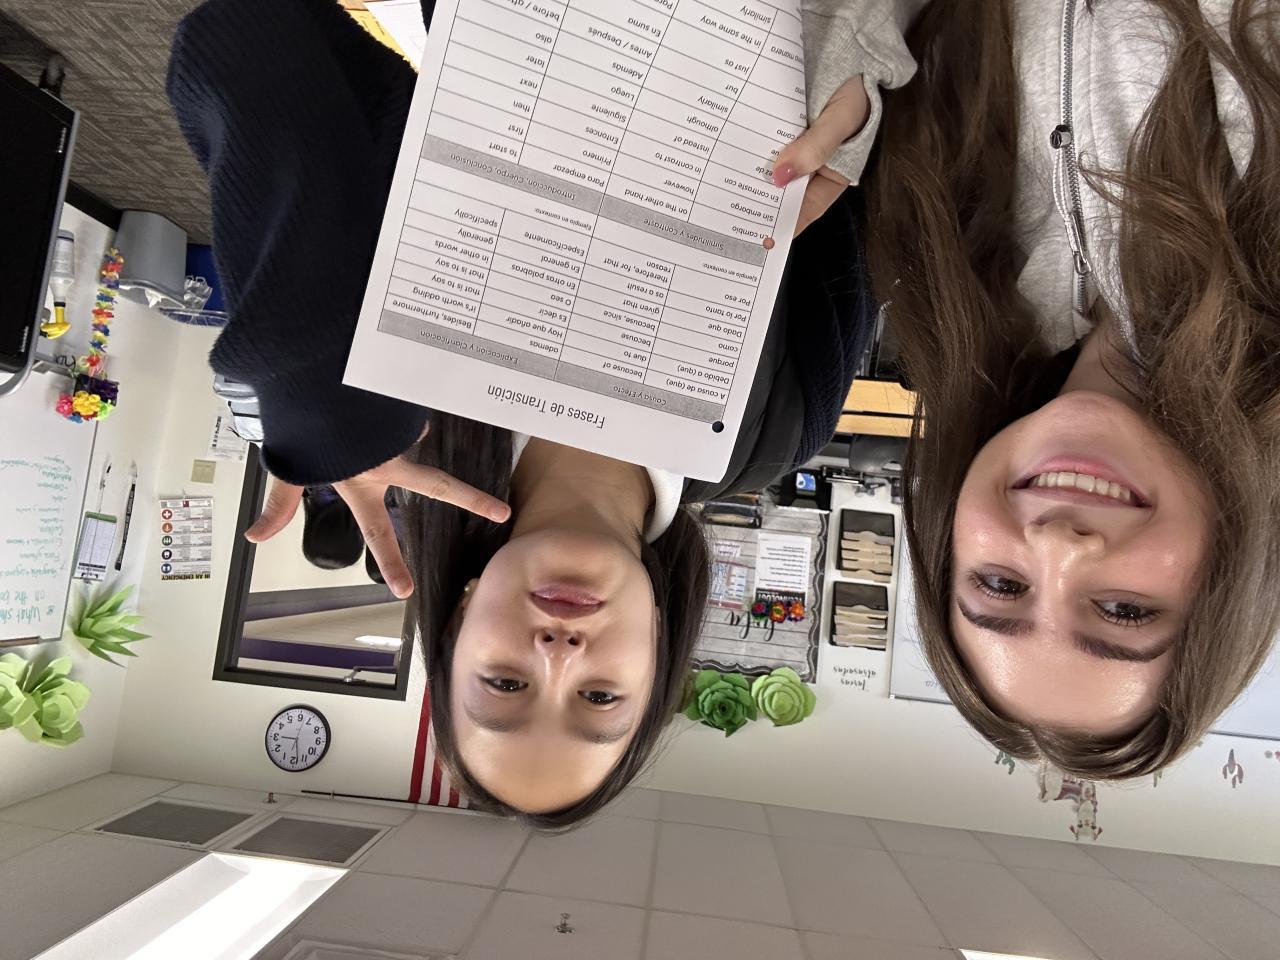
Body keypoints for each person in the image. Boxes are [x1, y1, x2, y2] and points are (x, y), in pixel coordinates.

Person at [167, 0, 903, 825]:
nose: (557, 657)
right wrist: (852, 114)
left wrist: (323, 386)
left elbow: (245, 39)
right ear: (660, 651)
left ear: (460, 619)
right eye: (599, 697)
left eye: (505, 683)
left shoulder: (403, 401)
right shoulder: (778, 434)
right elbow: (877, 151)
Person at [776, 0, 1280, 778]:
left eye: (1001, 585)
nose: (1057, 547)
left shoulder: (945, 274)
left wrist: (858, 65)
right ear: (1231, 582)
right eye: (1124, 611)